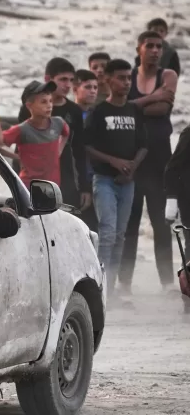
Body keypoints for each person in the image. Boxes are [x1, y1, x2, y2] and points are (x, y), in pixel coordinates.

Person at [119, 30, 179, 290]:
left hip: (159, 160)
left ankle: (167, 282)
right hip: (132, 158)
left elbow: (163, 109)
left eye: (159, 46)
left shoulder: (168, 75)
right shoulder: (128, 77)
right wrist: (153, 97)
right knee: (129, 225)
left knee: (160, 224)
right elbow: (123, 108)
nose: (155, 50)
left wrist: (137, 105)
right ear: (139, 49)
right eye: (150, 46)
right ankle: (124, 283)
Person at [84, 59, 148, 297]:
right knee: (108, 232)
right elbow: (87, 145)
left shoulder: (134, 110)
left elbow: (144, 145)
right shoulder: (99, 111)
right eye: (121, 78)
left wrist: (131, 168)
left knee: (120, 235)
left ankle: (110, 288)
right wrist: (114, 162)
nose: (126, 82)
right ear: (108, 80)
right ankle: (98, 286)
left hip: (127, 182)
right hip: (105, 180)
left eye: (128, 78)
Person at [17, 58, 89, 211]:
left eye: (71, 80)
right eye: (62, 79)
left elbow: (79, 150)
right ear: (47, 79)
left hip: (65, 178)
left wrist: (85, 187)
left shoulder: (74, 111)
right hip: (35, 179)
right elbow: (20, 149)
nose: (67, 85)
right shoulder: (29, 108)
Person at [4, 81, 69, 187]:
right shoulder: (22, 130)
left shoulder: (58, 123)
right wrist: (16, 156)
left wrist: (59, 150)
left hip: (52, 187)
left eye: (50, 101)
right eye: (43, 102)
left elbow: (66, 133)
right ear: (30, 106)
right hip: (29, 186)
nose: (49, 106)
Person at [74, 69, 100, 231]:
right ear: (75, 88)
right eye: (87, 87)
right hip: (77, 176)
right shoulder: (70, 114)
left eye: (95, 88)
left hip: (97, 177)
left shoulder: (97, 114)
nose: (92, 91)